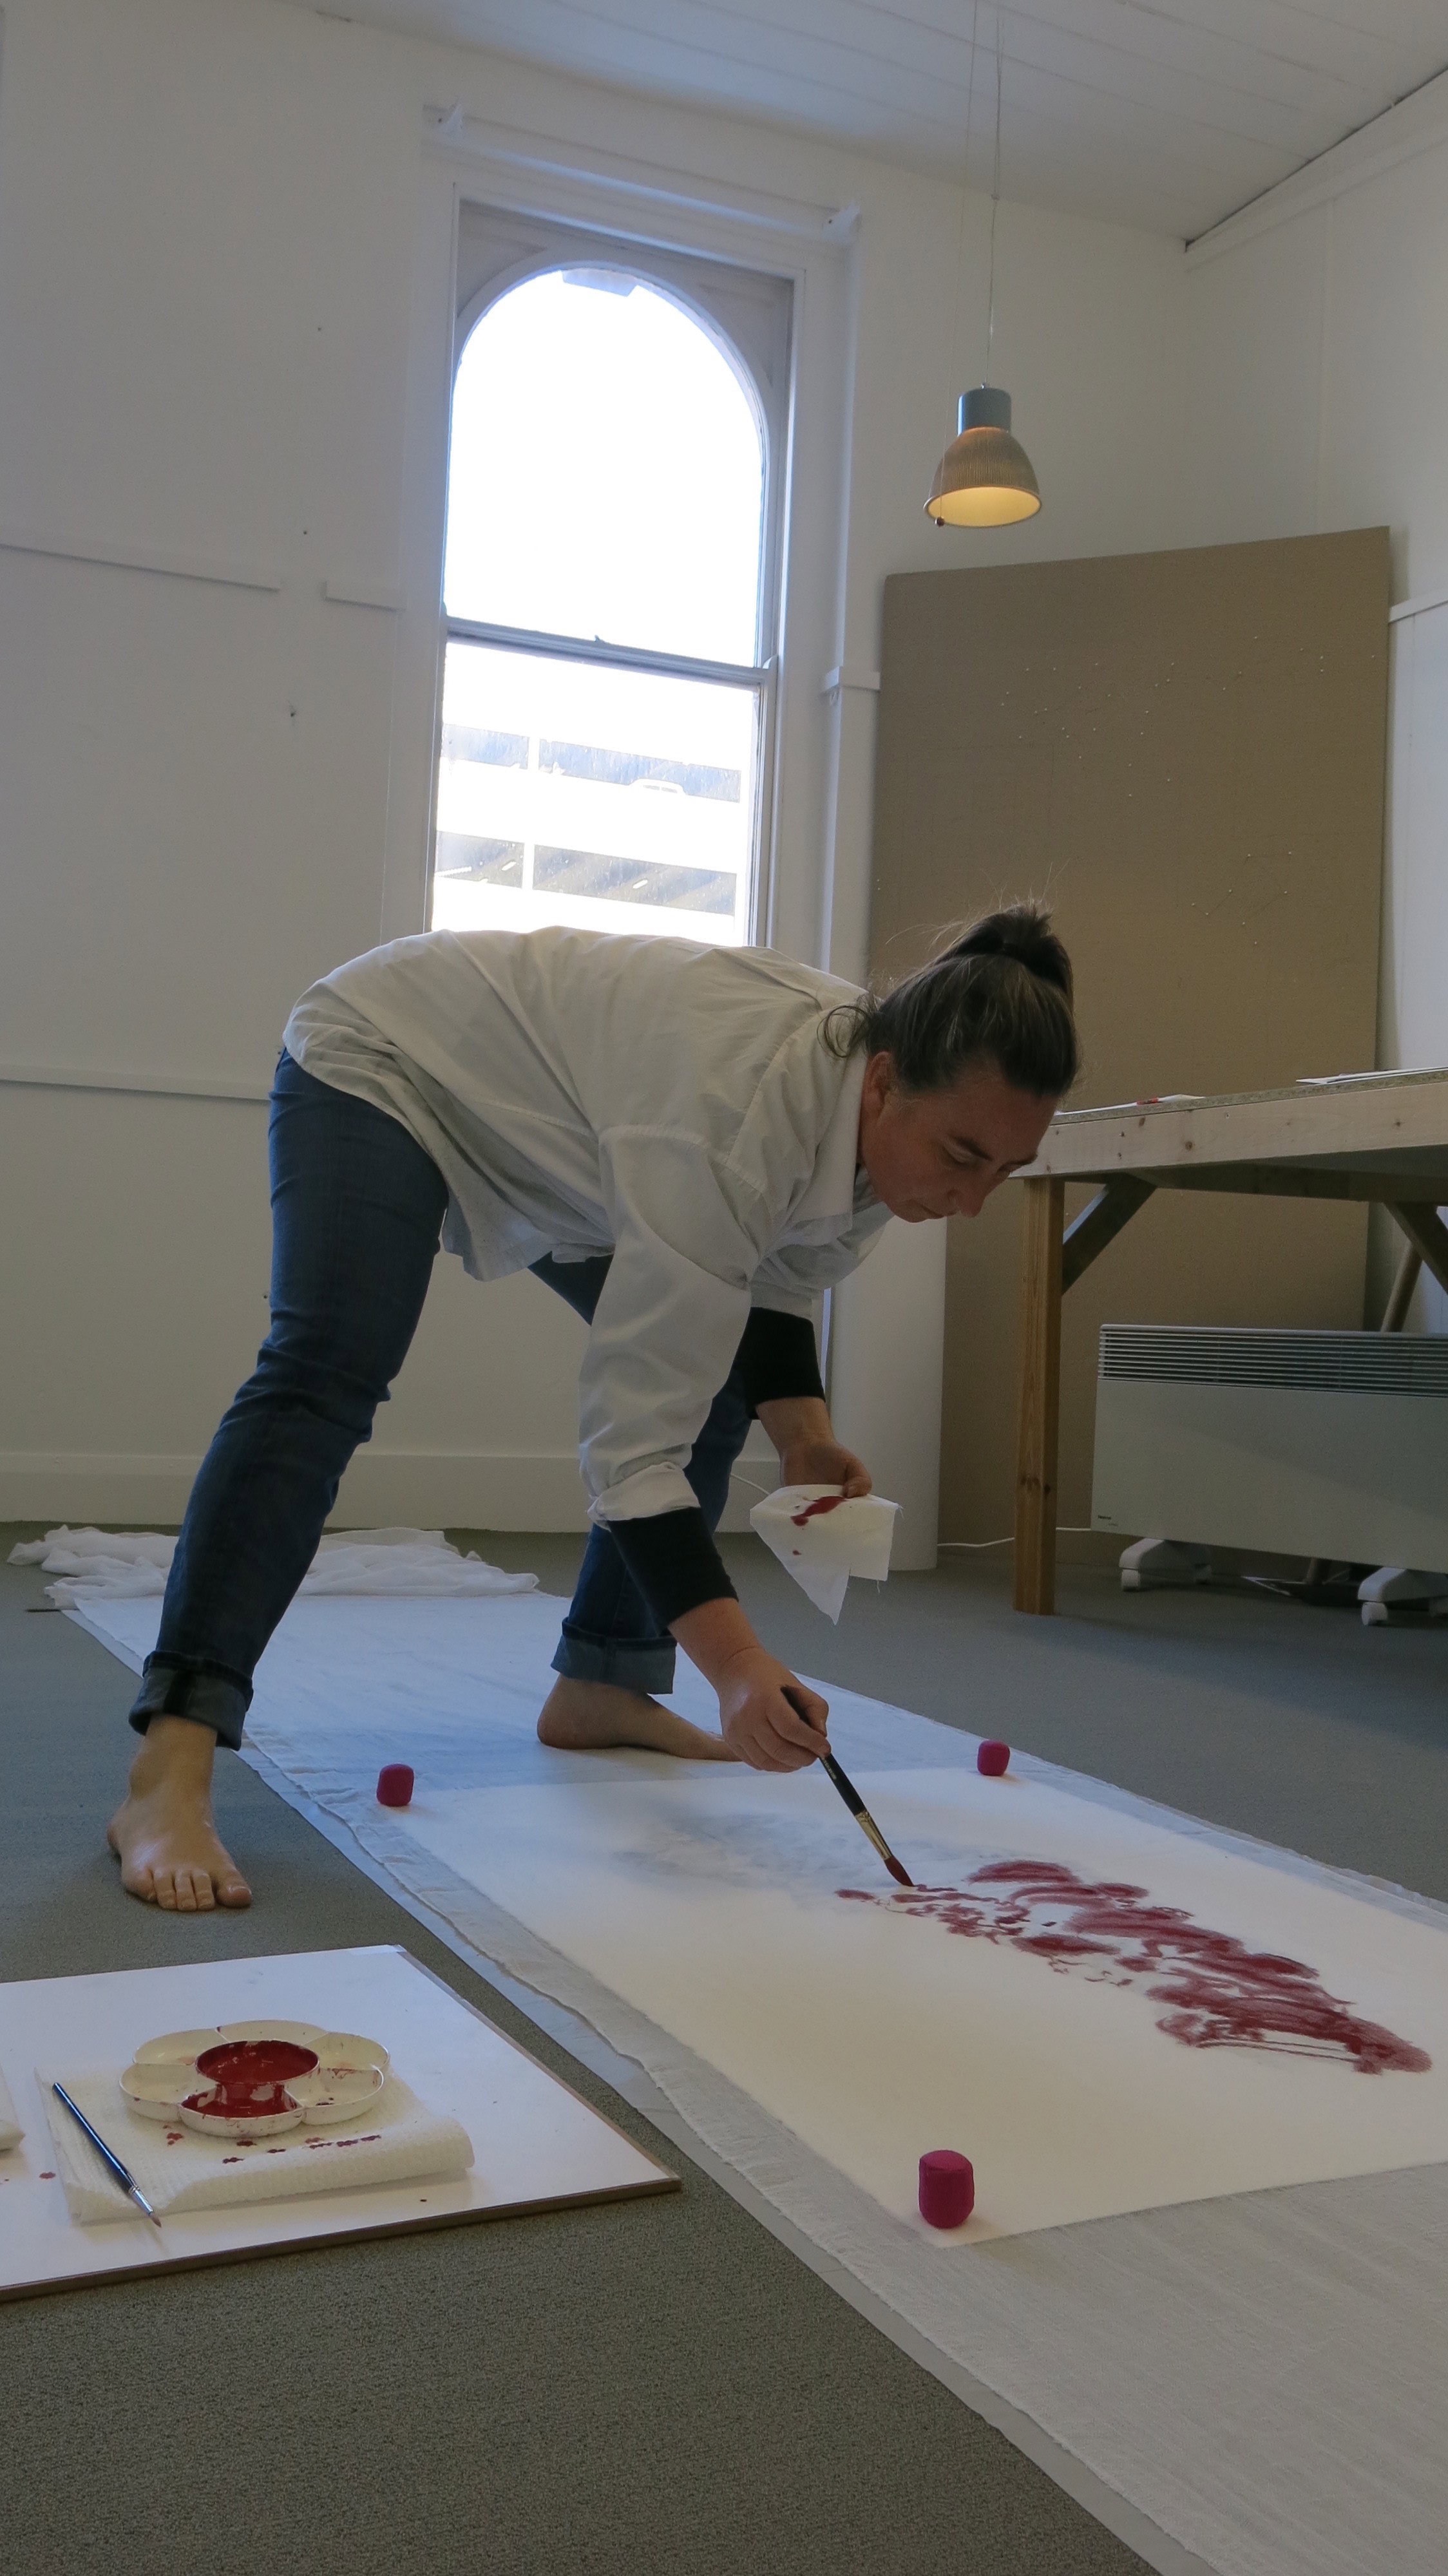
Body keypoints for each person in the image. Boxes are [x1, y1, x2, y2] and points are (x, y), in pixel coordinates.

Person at [108, 903, 1079, 1912]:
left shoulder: (886, 1117)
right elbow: (630, 1447)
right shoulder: (733, 1122)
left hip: (581, 1140)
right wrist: (737, 1666)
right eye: (964, 1158)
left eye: (1006, 1174)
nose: (971, 1203)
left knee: (706, 1382)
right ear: (882, 1084)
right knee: (326, 1369)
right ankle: (168, 1765)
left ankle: (602, 1687)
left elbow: (772, 1282)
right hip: (392, 1057)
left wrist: (805, 1434)